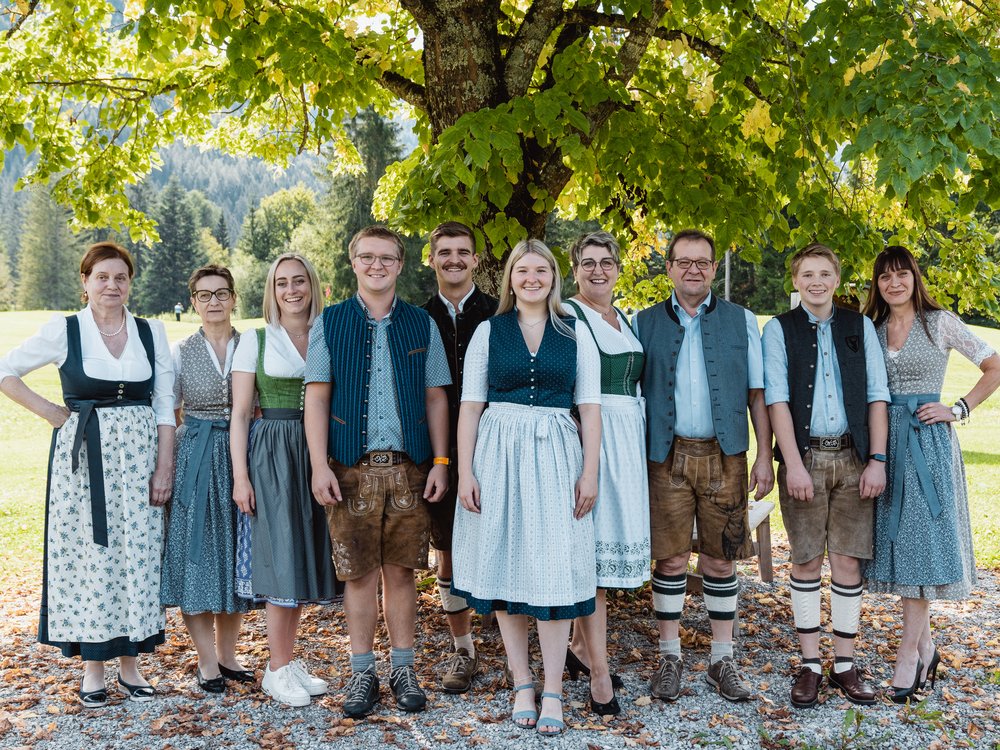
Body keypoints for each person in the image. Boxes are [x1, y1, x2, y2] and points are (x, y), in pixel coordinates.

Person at [0, 242, 174, 708]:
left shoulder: (150, 332)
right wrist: (55, 414)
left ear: (130, 283)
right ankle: (94, 669)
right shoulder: (66, 330)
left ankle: (132, 665)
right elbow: (5, 370)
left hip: (139, 461)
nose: (112, 285)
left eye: (120, 277)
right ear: (85, 282)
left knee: (137, 555)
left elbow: (163, 405)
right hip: (83, 462)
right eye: (102, 277)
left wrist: (165, 464)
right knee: (91, 557)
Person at [451, 239, 602, 736]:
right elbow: (470, 406)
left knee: (554, 567)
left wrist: (590, 472)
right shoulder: (489, 333)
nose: (531, 278)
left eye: (541, 270)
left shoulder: (574, 332)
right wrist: (466, 471)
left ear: (553, 277)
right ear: (510, 277)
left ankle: (554, 687)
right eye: (522, 270)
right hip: (498, 454)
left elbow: (590, 408)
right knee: (506, 565)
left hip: (558, 454)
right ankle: (522, 682)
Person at [304, 225, 451, 718]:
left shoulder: (420, 324)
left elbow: (436, 397)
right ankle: (362, 671)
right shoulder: (330, 323)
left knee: (403, 574)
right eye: (367, 258)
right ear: (353, 263)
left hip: (409, 469)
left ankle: (404, 669)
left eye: (387, 258)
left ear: (401, 265)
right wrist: (318, 463)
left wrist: (441, 461)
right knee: (360, 576)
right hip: (350, 469)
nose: (377, 266)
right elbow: (317, 397)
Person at [634, 229, 774, 703]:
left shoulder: (742, 320)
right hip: (666, 455)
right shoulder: (642, 322)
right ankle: (669, 657)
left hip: (726, 454)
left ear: (714, 269)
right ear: (669, 267)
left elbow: (758, 394)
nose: (693, 269)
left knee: (720, 558)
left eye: (703, 262)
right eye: (683, 261)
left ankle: (721, 658)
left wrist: (762, 457)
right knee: (671, 558)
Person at [861, 245, 1000, 702]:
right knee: (901, 546)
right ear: (877, 284)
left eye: (902, 274)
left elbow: (994, 364)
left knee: (922, 549)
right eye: (885, 277)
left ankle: (908, 656)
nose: (894, 283)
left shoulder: (939, 323)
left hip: (927, 445)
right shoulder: (874, 329)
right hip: (885, 446)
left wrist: (959, 408)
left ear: (914, 278)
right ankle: (926, 648)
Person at [762, 243, 889, 708]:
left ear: (837, 279)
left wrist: (877, 459)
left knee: (849, 561)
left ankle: (845, 664)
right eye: (807, 274)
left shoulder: (860, 328)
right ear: (795, 281)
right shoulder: (779, 330)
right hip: (807, 459)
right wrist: (791, 463)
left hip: (855, 458)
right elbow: (776, 400)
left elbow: (877, 396)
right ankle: (810, 664)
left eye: (824, 274)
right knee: (806, 562)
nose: (816, 282)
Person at [230, 253, 341, 707]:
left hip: (320, 451)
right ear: (271, 292)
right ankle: (275, 669)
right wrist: (241, 476)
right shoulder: (255, 340)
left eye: (299, 281)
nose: (291, 290)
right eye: (282, 284)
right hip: (273, 452)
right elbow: (239, 414)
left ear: (313, 285)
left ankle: (287, 659)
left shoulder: (328, 333)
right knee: (281, 555)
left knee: (304, 553)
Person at [563, 230, 649, 716]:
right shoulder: (569, 315)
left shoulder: (624, 318)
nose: (598, 270)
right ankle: (599, 672)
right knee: (591, 559)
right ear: (574, 268)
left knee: (600, 554)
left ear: (619, 268)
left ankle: (580, 649)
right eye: (588, 262)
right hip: (593, 442)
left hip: (628, 439)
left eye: (607, 262)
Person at [161, 265, 251, 694]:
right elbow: (169, 409)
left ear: (234, 298)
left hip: (242, 459)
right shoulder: (181, 351)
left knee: (233, 557)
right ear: (193, 302)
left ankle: (229, 655)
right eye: (204, 294)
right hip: (195, 458)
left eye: (221, 293)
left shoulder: (251, 345)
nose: (213, 301)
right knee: (197, 558)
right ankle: (206, 659)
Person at [422, 221, 498, 694]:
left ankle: (517, 651)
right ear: (432, 259)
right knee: (447, 547)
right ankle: (463, 649)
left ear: (475, 259)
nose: (453, 259)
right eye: (444, 252)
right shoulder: (416, 316)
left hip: (496, 445)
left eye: (462, 252)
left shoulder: (500, 312)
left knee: (505, 541)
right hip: (438, 453)